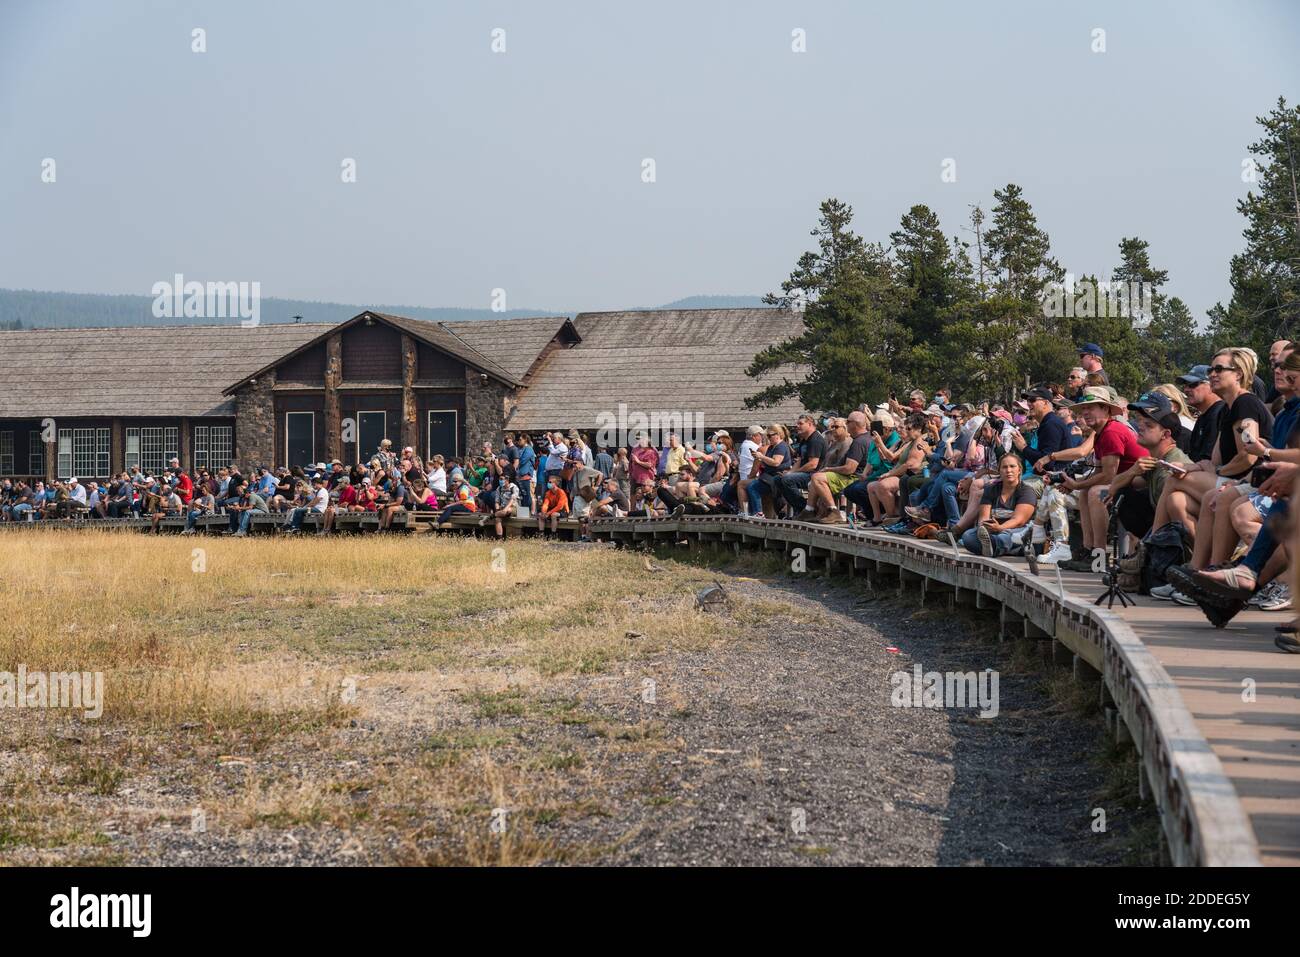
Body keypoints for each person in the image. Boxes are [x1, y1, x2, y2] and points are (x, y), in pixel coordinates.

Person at [1056, 386, 1144, 571]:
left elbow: (1109, 475)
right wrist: (1076, 485)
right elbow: (1101, 472)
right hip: (1125, 481)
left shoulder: (1112, 432)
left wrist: (1078, 483)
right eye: (1083, 409)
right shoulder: (1101, 432)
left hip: (1140, 484)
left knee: (1095, 492)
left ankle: (1099, 554)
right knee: (1087, 490)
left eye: (1091, 407)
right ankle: (1088, 551)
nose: (1085, 413)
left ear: (1105, 409)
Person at [1109, 395, 1193, 540]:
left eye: (1148, 425)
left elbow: (1176, 518)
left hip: (1180, 536)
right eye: (1139, 420)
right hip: (1165, 529)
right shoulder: (1156, 461)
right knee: (1124, 495)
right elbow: (1114, 487)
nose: (1140, 426)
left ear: (1165, 434)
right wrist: (1132, 471)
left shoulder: (1170, 467)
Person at [961, 452, 1037, 558]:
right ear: (999, 471)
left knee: (1008, 536)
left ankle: (995, 546)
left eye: (1012, 466)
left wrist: (1000, 528)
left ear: (1019, 470)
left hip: (1017, 531)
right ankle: (1001, 548)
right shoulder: (990, 489)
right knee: (968, 536)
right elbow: (984, 518)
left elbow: (1019, 521)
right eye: (1004, 467)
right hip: (993, 532)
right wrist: (986, 527)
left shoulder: (1026, 491)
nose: (1008, 470)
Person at [778, 414, 826, 514]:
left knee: (787, 480)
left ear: (810, 424)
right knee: (777, 479)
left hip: (815, 474)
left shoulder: (815, 439)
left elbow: (813, 464)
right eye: (797, 423)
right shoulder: (804, 440)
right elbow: (799, 460)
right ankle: (800, 508)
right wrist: (790, 472)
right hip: (805, 473)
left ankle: (806, 509)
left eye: (800, 423)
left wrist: (792, 473)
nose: (797, 426)